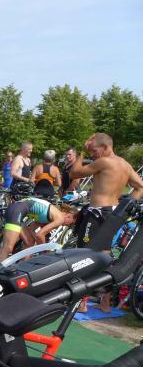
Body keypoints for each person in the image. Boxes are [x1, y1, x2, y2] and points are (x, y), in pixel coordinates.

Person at [69, 132, 143, 312]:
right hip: (113, 214)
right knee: (106, 257)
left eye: (94, 150)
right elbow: (140, 186)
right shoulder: (125, 165)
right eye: (90, 152)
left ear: (105, 147)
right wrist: (126, 207)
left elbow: (74, 173)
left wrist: (80, 153)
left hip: (96, 214)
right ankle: (105, 303)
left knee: (84, 256)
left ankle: (82, 303)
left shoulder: (104, 161)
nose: (92, 154)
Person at [0, 197, 76, 263]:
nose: (68, 226)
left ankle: (22, 266)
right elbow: (40, 235)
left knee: (29, 242)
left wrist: (41, 247)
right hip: (16, 210)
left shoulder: (49, 215)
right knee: (8, 247)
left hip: (18, 210)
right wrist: (45, 251)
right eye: (71, 223)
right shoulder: (60, 218)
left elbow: (32, 230)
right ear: (69, 215)